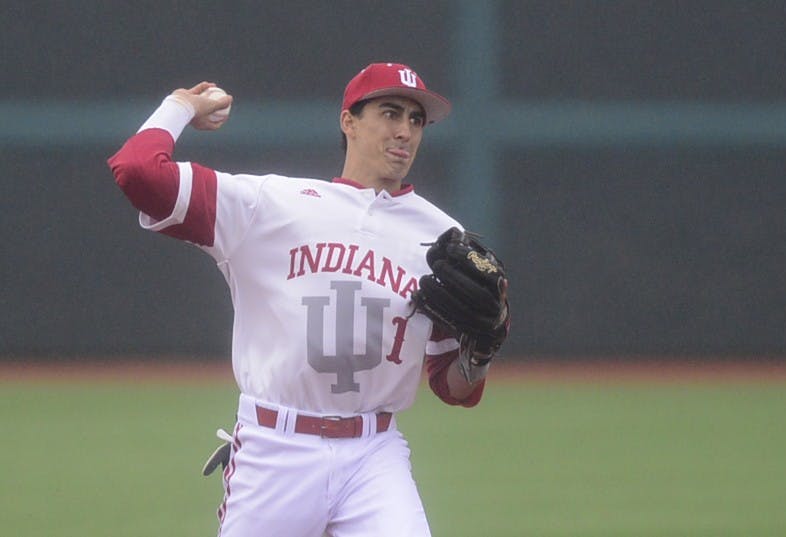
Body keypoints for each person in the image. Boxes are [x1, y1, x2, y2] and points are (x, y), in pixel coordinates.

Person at [108, 62, 503, 536]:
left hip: (374, 456)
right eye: (390, 113)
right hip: (276, 449)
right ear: (348, 121)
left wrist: (480, 351)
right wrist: (180, 105)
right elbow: (137, 172)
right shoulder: (270, 206)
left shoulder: (442, 238)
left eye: (417, 120)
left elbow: (453, 388)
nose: (405, 131)